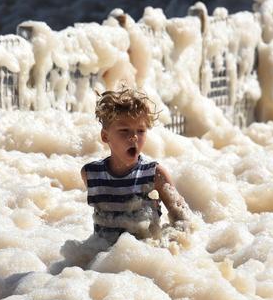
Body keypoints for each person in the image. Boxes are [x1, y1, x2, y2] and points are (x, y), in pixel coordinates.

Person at [81, 88, 193, 244]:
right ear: (105, 136)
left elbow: (183, 220)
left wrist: (168, 245)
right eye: (124, 130)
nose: (134, 137)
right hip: (102, 261)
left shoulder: (155, 174)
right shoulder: (91, 174)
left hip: (142, 258)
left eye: (140, 131)